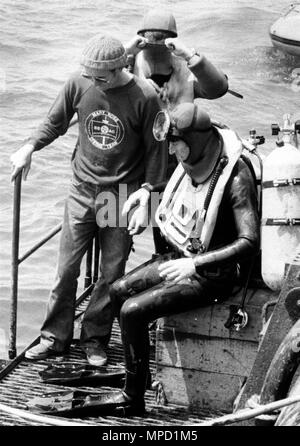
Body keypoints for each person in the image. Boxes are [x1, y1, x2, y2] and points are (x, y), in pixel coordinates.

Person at [86, 100, 260, 416]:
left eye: (175, 144)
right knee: (117, 290)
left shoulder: (236, 177)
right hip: (182, 258)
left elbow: (249, 241)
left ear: (193, 141)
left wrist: (195, 264)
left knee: (132, 311)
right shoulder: (196, 157)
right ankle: (137, 372)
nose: (170, 152)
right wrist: (146, 192)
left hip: (216, 275)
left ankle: (132, 399)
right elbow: (178, 185)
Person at [10, 34, 167, 366]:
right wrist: (29, 147)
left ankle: (94, 339)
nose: (94, 82)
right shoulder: (78, 83)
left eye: (101, 78)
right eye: (90, 76)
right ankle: (54, 337)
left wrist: (148, 192)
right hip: (81, 191)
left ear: (120, 67)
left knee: (111, 274)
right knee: (65, 271)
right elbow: (54, 122)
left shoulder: (146, 96)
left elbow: (157, 151)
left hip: (120, 197)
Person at [125, 9, 229, 253]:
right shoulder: (130, 65)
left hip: (182, 164)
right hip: (145, 163)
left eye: (162, 40)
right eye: (150, 40)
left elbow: (219, 88)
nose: (156, 46)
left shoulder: (185, 68)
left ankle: (177, 261)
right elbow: (102, 80)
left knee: (177, 229)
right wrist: (127, 51)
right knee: (124, 220)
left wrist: (191, 55)